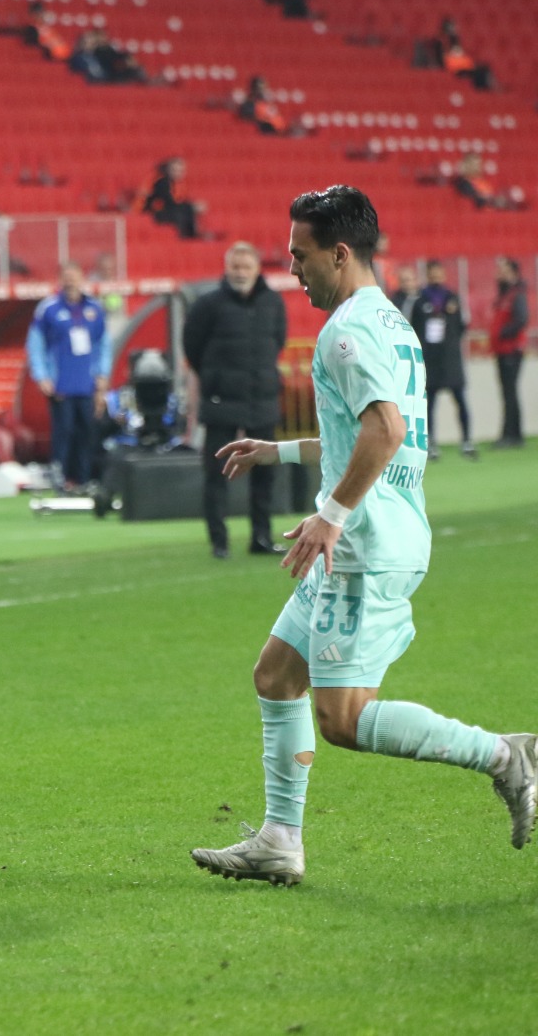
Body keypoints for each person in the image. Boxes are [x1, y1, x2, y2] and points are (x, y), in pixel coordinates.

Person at [189, 184, 537, 888]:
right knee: (276, 675)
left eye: (302, 255)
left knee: (344, 718)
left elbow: (385, 431)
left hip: (363, 546)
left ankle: (507, 756)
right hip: (368, 536)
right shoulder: (391, 322)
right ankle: (279, 840)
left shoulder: (344, 333)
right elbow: (362, 434)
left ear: (340, 253)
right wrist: (278, 452)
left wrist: (331, 515)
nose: (293, 268)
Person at [184, 242, 289, 559]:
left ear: (257, 269)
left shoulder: (273, 302)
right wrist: (216, 380)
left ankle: (261, 537)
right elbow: (192, 347)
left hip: (262, 400)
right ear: (226, 268)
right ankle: (219, 541)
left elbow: (278, 341)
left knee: (265, 473)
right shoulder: (208, 305)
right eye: (235, 266)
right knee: (216, 473)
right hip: (222, 401)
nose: (240, 272)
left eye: (246, 266)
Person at [28, 263, 111, 492]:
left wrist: (102, 374)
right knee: (63, 432)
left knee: (87, 433)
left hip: (86, 383)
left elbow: (103, 345)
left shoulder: (94, 309)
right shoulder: (49, 309)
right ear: (60, 280)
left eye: (74, 277)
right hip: (61, 384)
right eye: (66, 277)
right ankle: (60, 479)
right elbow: (36, 344)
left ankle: (84, 480)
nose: (70, 281)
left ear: (82, 279)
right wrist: (42, 376)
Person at [410, 260, 474, 460]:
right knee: (429, 404)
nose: (436, 277)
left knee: (460, 400)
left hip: (451, 359)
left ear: (444, 275)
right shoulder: (419, 300)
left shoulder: (453, 298)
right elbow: (413, 327)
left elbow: (463, 326)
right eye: (432, 273)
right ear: (427, 275)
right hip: (430, 360)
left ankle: (467, 441)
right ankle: (431, 444)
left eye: (439, 273)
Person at [490, 256, 528, 449]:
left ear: (512, 273)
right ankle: (512, 434)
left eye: (503, 270)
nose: (498, 273)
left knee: (510, 392)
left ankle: (512, 435)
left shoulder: (516, 295)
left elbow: (522, 319)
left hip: (511, 350)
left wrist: (503, 333)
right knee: (508, 393)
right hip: (503, 350)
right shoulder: (505, 294)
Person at [144, 157, 202, 239]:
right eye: (174, 170)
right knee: (185, 210)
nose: (178, 173)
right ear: (168, 170)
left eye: (180, 171)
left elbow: (182, 199)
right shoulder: (162, 182)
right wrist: (192, 206)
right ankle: (188, 236)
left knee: (188, 209)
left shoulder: (179, 184)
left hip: (169, 210)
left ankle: (193, 235)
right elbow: (169, 202)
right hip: (156, 212)